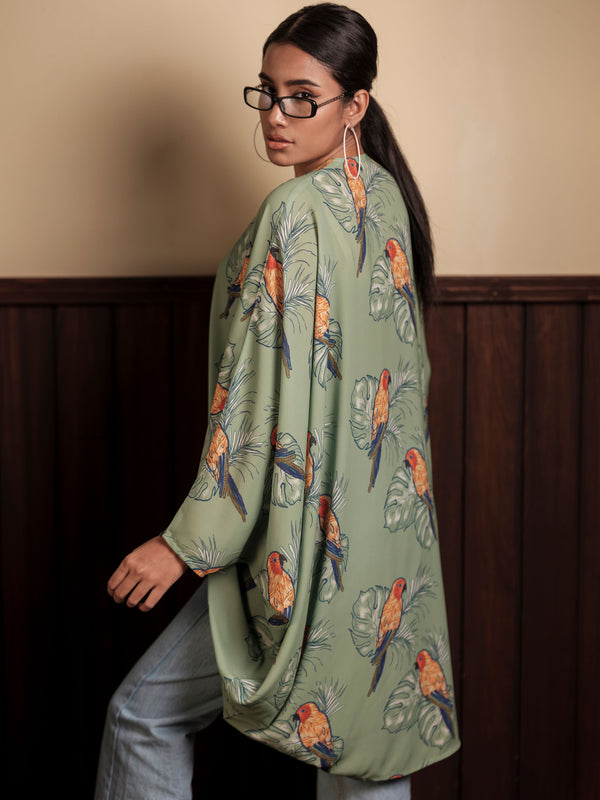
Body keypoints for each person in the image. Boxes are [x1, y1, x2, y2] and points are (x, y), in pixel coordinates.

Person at [94, 4, 460, 799]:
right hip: (382, 531)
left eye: (302, 97)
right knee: (363, 745)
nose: (275, 115)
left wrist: (187, 544)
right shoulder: (384, 197)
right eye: (266, 91)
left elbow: (257, 398)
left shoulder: (294, 213)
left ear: (355, 105)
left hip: (304, 529)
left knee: (142, 715)